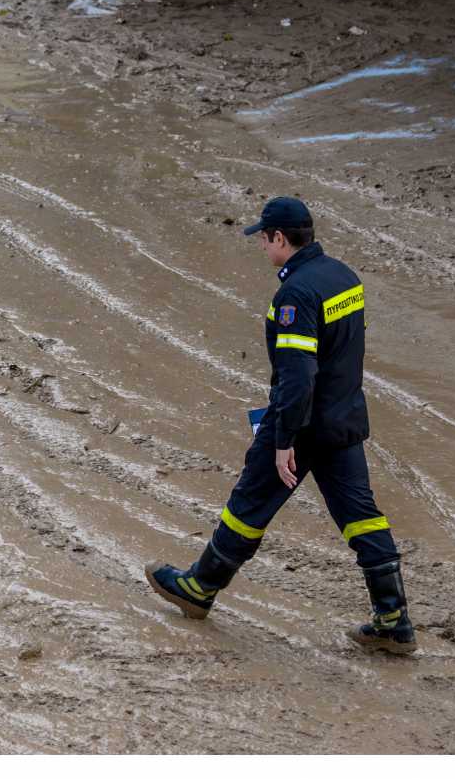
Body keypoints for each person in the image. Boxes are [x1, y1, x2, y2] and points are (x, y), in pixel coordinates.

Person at [144, 197, 416, 655]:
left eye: (264, 238)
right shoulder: (343, 275)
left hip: (302, 423)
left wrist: (282, 439)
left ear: (280, 238)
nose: (262, 247)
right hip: (343, 419)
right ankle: (393, 619)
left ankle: (199, 587)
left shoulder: (296, 294)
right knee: (362, 516)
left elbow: (298, 374)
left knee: (249, 503)